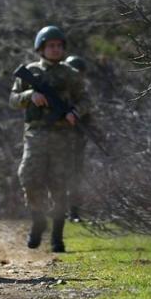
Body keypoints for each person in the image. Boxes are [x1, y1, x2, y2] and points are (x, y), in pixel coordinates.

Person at [9, 25, 90, 253]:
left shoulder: (71, 75)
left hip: (63, 136)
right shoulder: (31, 71)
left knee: (59, 185)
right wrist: (29, 96)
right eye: (50, 46)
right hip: (36, 134)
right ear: (41, 48)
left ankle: (57, 236)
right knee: (29, 177)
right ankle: (38, 219)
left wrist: (75, 113)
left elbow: (86, 100)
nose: (55, 49)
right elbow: (13, 99)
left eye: (58, 46)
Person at [63, 55, 89, 223]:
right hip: (56, 139)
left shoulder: (81, 95)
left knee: (75, 176)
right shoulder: (59, 91)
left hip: (76, 140)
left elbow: (88, 111)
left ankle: (74, 211)